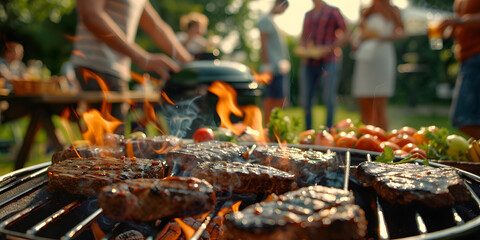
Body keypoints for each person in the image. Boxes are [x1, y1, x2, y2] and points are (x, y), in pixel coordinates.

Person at [71, 0, 193, 133]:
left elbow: (155, 26)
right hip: (94, 67)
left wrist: (191, 64)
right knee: (109, 144)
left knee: (115, 143)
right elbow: (91, 15)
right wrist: (142, 57)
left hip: (117, 71)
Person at [350, 0, 406, 130]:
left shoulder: (393, 11)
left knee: (379, 103)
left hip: (383, 56)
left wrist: (383, 37)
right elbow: (359, 32)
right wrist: (357, 41)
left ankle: (382, 140)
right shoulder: (367, 11)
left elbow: (403, 32)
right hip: (365, 57)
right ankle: (364, 139)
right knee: (364, 100)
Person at [298, 0, 350, 130]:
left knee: (329, 98)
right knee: (306, 100)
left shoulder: (333, 11)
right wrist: (303, 48)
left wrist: (330, 47)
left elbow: (347, 35)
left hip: (329, 61)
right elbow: (303, 38)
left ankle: (328, 132)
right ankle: (308, 133)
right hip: (309, 63)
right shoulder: (308, 15)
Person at [438, 0, 480, 139]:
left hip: (476, 56)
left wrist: (459, 21)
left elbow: (462, 20)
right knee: (468, 119)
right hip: (468, 58)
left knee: (464, 119)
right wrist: (447, 30)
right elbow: (460, 24)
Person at [258, 0, 290, 125]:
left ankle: (273, 128)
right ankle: (267, 129)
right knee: (271, 100)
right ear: (279, 4)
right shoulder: (265, 20)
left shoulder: (272, 21)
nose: (283, 12)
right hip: (272, 68)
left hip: (278, 68)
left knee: (279, 100)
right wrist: (267, 65)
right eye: (283, 8)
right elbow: (263, 44)